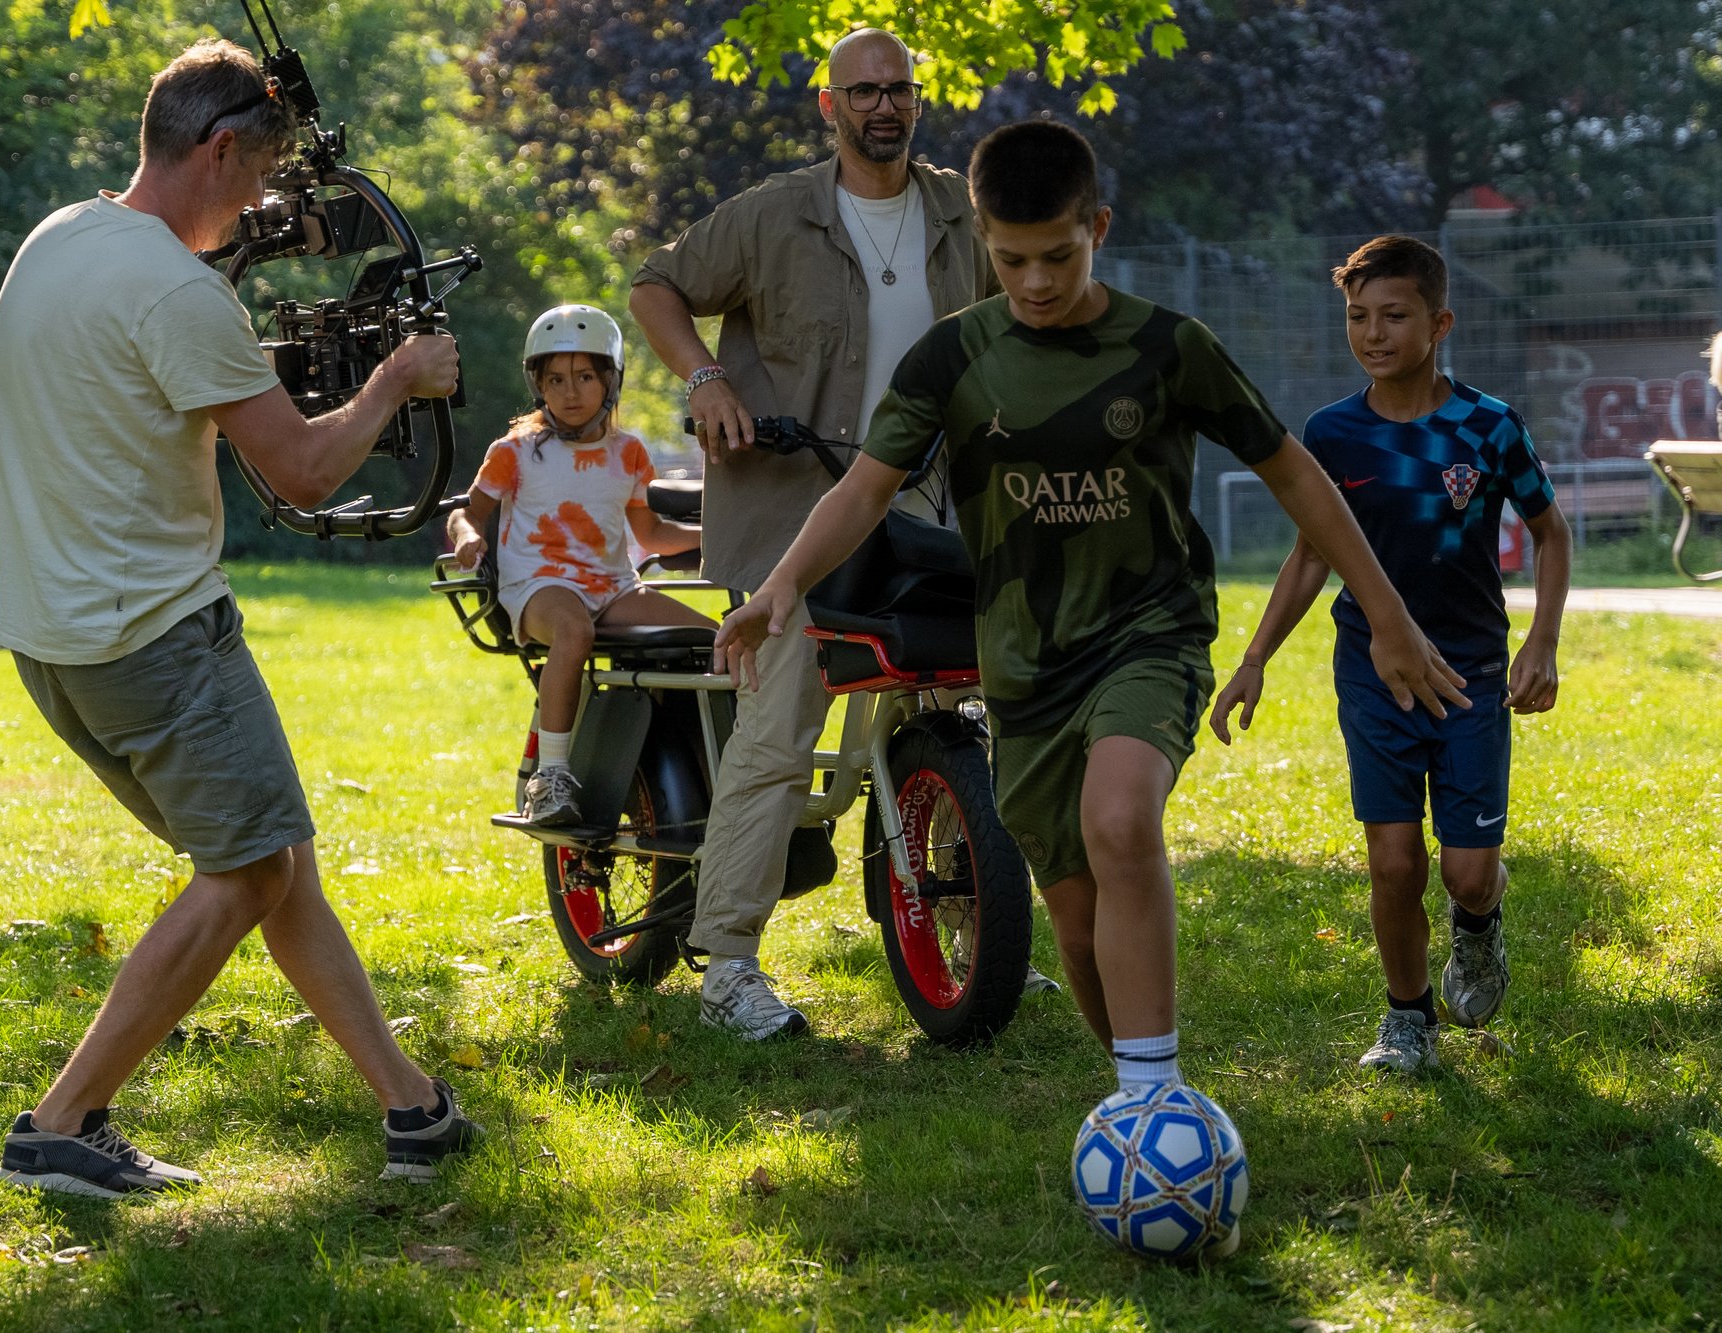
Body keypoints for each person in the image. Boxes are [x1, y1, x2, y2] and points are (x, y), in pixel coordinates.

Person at [714, 122, 1467, 1134]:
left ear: (1097, 227)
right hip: (1021, 665)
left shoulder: (1167, 348)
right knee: (1070, 920)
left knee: (1120, 821)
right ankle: (1137, 1094)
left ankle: (1154, 1096)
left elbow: (1293, 470)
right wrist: (782, 586)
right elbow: (863, 489)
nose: (1033, 281)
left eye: (1057, 257)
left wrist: (1385, 614)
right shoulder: (955, 355)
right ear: (982, 237)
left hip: (1145, 637)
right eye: (1010, 258)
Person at [0, 38, 476, 1197]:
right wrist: (397, 380)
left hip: (53, 639)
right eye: (255, 179)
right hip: (155, 641)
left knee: (273, 858)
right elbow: (304, 473)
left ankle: (413, 1109)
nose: (259, 207)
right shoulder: (174, 290)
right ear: (214, 150)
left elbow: (135, 391)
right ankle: (61, 1120)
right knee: (248, 874)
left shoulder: (59, 239)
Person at [629, 26, 1006, 1040]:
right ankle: (729, 970)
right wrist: (705, 377)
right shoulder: (772, 216)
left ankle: (978, 936)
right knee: (781, 717)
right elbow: (655, 285)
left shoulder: (954, 215)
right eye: (863, 90)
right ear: (828, 105)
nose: (883, 106)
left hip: (925, 499)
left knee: (961, 701)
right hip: (788, 499)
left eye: (899, 90)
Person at [1209, 235, 1571, 1073]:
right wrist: (1257, 656)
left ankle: (1477, 931)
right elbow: (1310, 554)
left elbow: (1551, 532)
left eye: (1394, 315)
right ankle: (1407, 1019)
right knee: (1394, 859)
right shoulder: (1331, 433)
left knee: (1469, 873)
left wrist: (1541, 641)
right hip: (1373, 677)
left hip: (1472, 672)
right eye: (1357, 316)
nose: (1373, 333)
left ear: (1439, 322)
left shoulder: (1488, 426)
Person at [446, 305, 710, 828]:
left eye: (585, 377)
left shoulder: (630, 452)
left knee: (716, 639)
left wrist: (720, 537)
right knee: (573, 628)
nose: (571, 392)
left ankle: (698, 762)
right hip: (539, 585)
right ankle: (553, 776)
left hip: (612, 587)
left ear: (609, 380)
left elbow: (651, 534)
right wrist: (468, 537)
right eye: (556, 380)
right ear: (538, 386)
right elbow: (465, 512)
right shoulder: (515, 451)